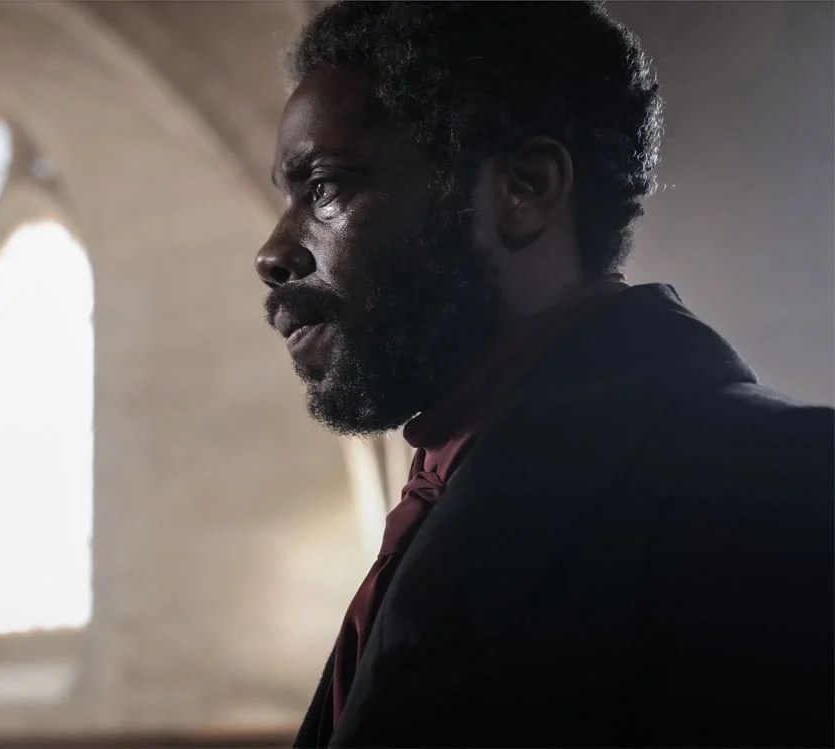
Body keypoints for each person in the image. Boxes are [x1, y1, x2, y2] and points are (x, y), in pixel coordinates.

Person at [256, 3, 833, 746]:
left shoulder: (779, 483)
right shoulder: (450, 485)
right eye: (288, 197)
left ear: (523, 190)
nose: (272, 252)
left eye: (325, 188)